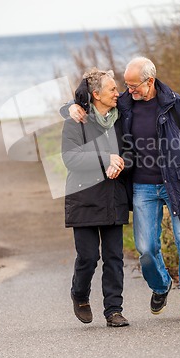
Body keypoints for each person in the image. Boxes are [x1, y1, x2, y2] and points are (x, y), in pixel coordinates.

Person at [69, 57, 180, 320]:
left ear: (150, 81)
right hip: (143, 186)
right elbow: (91, 100)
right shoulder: (125, 103)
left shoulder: (175, 104)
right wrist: (70, 107)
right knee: (145, 248)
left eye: (134, 86)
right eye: (126, 86)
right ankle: (161, 285)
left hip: (177, 182)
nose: (128, 91)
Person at [60, 68, 130, 327]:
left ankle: (114, 310)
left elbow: (133, 149)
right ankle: (79, 294)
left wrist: (120, 162)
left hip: (114, 196)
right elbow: (71, 158)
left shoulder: (121, 118)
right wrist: (105, 160)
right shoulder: (76, 121)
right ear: (96, 94)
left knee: (114, 257)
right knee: (88, 257)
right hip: (84, 198)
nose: (117, 93)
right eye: (112, 89)